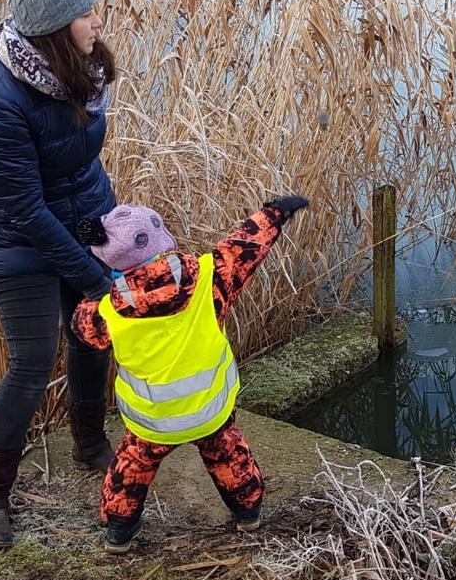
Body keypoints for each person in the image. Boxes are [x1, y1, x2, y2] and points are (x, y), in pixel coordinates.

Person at [0, 0, 120, 549]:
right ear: (55, 30)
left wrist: (107, 227)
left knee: (90, 336)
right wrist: (90, 273)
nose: (97, 20)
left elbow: (79, 161)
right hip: (14, 237)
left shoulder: (79, 67)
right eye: (86, 14)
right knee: (31, 362)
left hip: (81, 214)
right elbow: (25, 210)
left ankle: (89, 444)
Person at [70, 196, 309, 553]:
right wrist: (277, 211)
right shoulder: (210, 278)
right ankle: (249, 515)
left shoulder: (106, 313)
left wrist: (92, 298)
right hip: (210, 412)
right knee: (228, 454)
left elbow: (81, 328)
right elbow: (248, 242)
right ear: (162, 237)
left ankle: (119, 532)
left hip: (151, 422)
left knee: (132, 466)